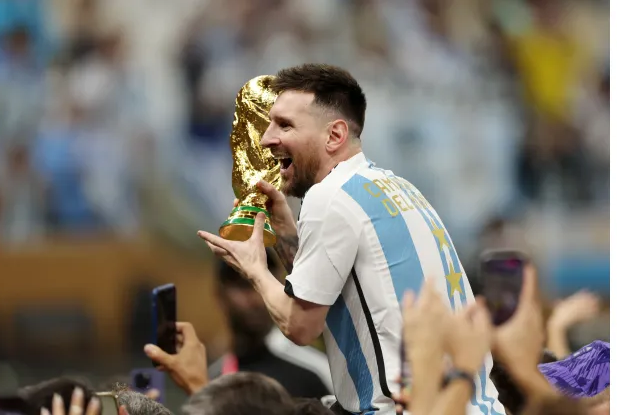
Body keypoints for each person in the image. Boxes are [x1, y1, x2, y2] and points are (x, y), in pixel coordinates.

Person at [197, 63, 505, 414]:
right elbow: (328, 294)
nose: (267, 138)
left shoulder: (328, 197)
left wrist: (254, 268)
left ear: (334, 135)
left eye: (284, 124)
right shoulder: (398, 187)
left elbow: (301, 326)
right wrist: (285, 233)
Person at [208, 251, 333, 398]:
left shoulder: (313, 368)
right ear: (220, 295)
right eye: (243, 286)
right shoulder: (214, 377)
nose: (255, 299)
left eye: (261, 285)